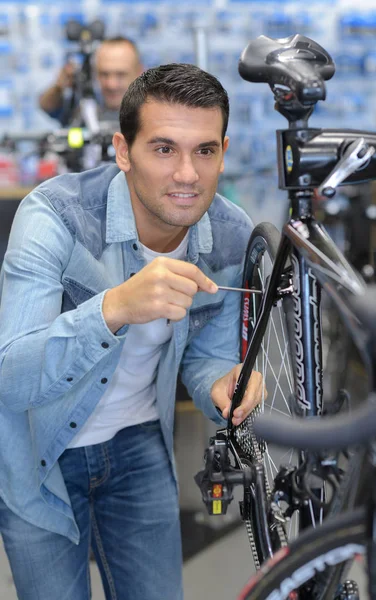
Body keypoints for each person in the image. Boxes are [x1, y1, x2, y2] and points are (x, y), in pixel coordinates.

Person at [0, 63, 264, 600]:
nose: (188, 174)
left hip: (140, 447)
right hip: (39, 459)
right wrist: (114, 307)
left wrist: (222, 388)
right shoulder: (55, 214)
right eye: (164, 149)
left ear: (223, 150)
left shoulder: (230, 232)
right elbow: (10, 375)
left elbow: (206, 356)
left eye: (205, 151)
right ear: (123, 151)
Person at [39, 36, 143, 126]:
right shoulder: (84, 110)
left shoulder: (151, 113)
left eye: (120, 74)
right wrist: (59, 87)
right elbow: (47, 106)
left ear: (139, 72)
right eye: (104, 74)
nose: (112, 85)